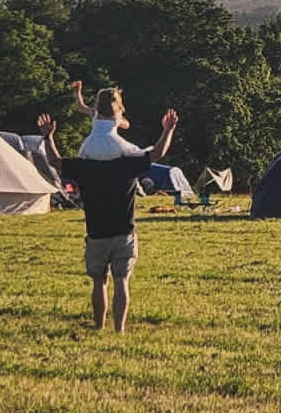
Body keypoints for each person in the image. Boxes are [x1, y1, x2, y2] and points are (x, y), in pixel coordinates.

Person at [37, 106, 178, 333]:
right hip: (124, 232)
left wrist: (48, 136)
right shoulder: (127, 164)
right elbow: (157, 153)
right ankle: (119, 330)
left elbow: (55, 161)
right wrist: (167, 130)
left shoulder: (84, 166)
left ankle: (99, 326)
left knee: (99, 282)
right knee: (122, 281)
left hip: (96, 233)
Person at [72, 80, 145, 159]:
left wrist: (77, 91)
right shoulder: (116, 118)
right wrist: (120, 112)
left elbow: (81, 106)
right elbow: (127, 125)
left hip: (92, 143)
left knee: (82, 161)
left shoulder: (96, 114)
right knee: (137, 156)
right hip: (112, 142)